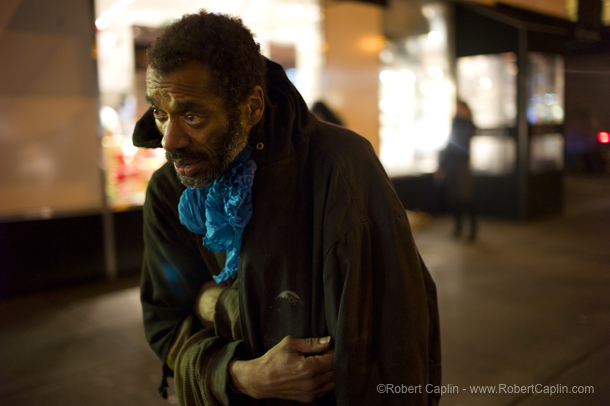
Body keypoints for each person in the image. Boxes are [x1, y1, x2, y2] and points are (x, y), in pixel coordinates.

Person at [133, 11, 441, 406]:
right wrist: (239, 375)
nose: (170, 139)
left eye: (192, 116)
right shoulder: (168, 191)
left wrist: (213, 302)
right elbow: (165, 323)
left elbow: (399, 331)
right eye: (160, 113)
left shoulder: (341, 167)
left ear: (251, 107)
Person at [437, 100, 477, 241]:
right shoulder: (456, 122)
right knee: (454, 198)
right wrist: (443, 166)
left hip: (462, 166)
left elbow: (467, 137)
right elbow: (450, 144)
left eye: (461, 108)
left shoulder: (468, 124)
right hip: (452, 165)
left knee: (466, 198)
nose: (459, 110)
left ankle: (472, 231)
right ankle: (458, 228)